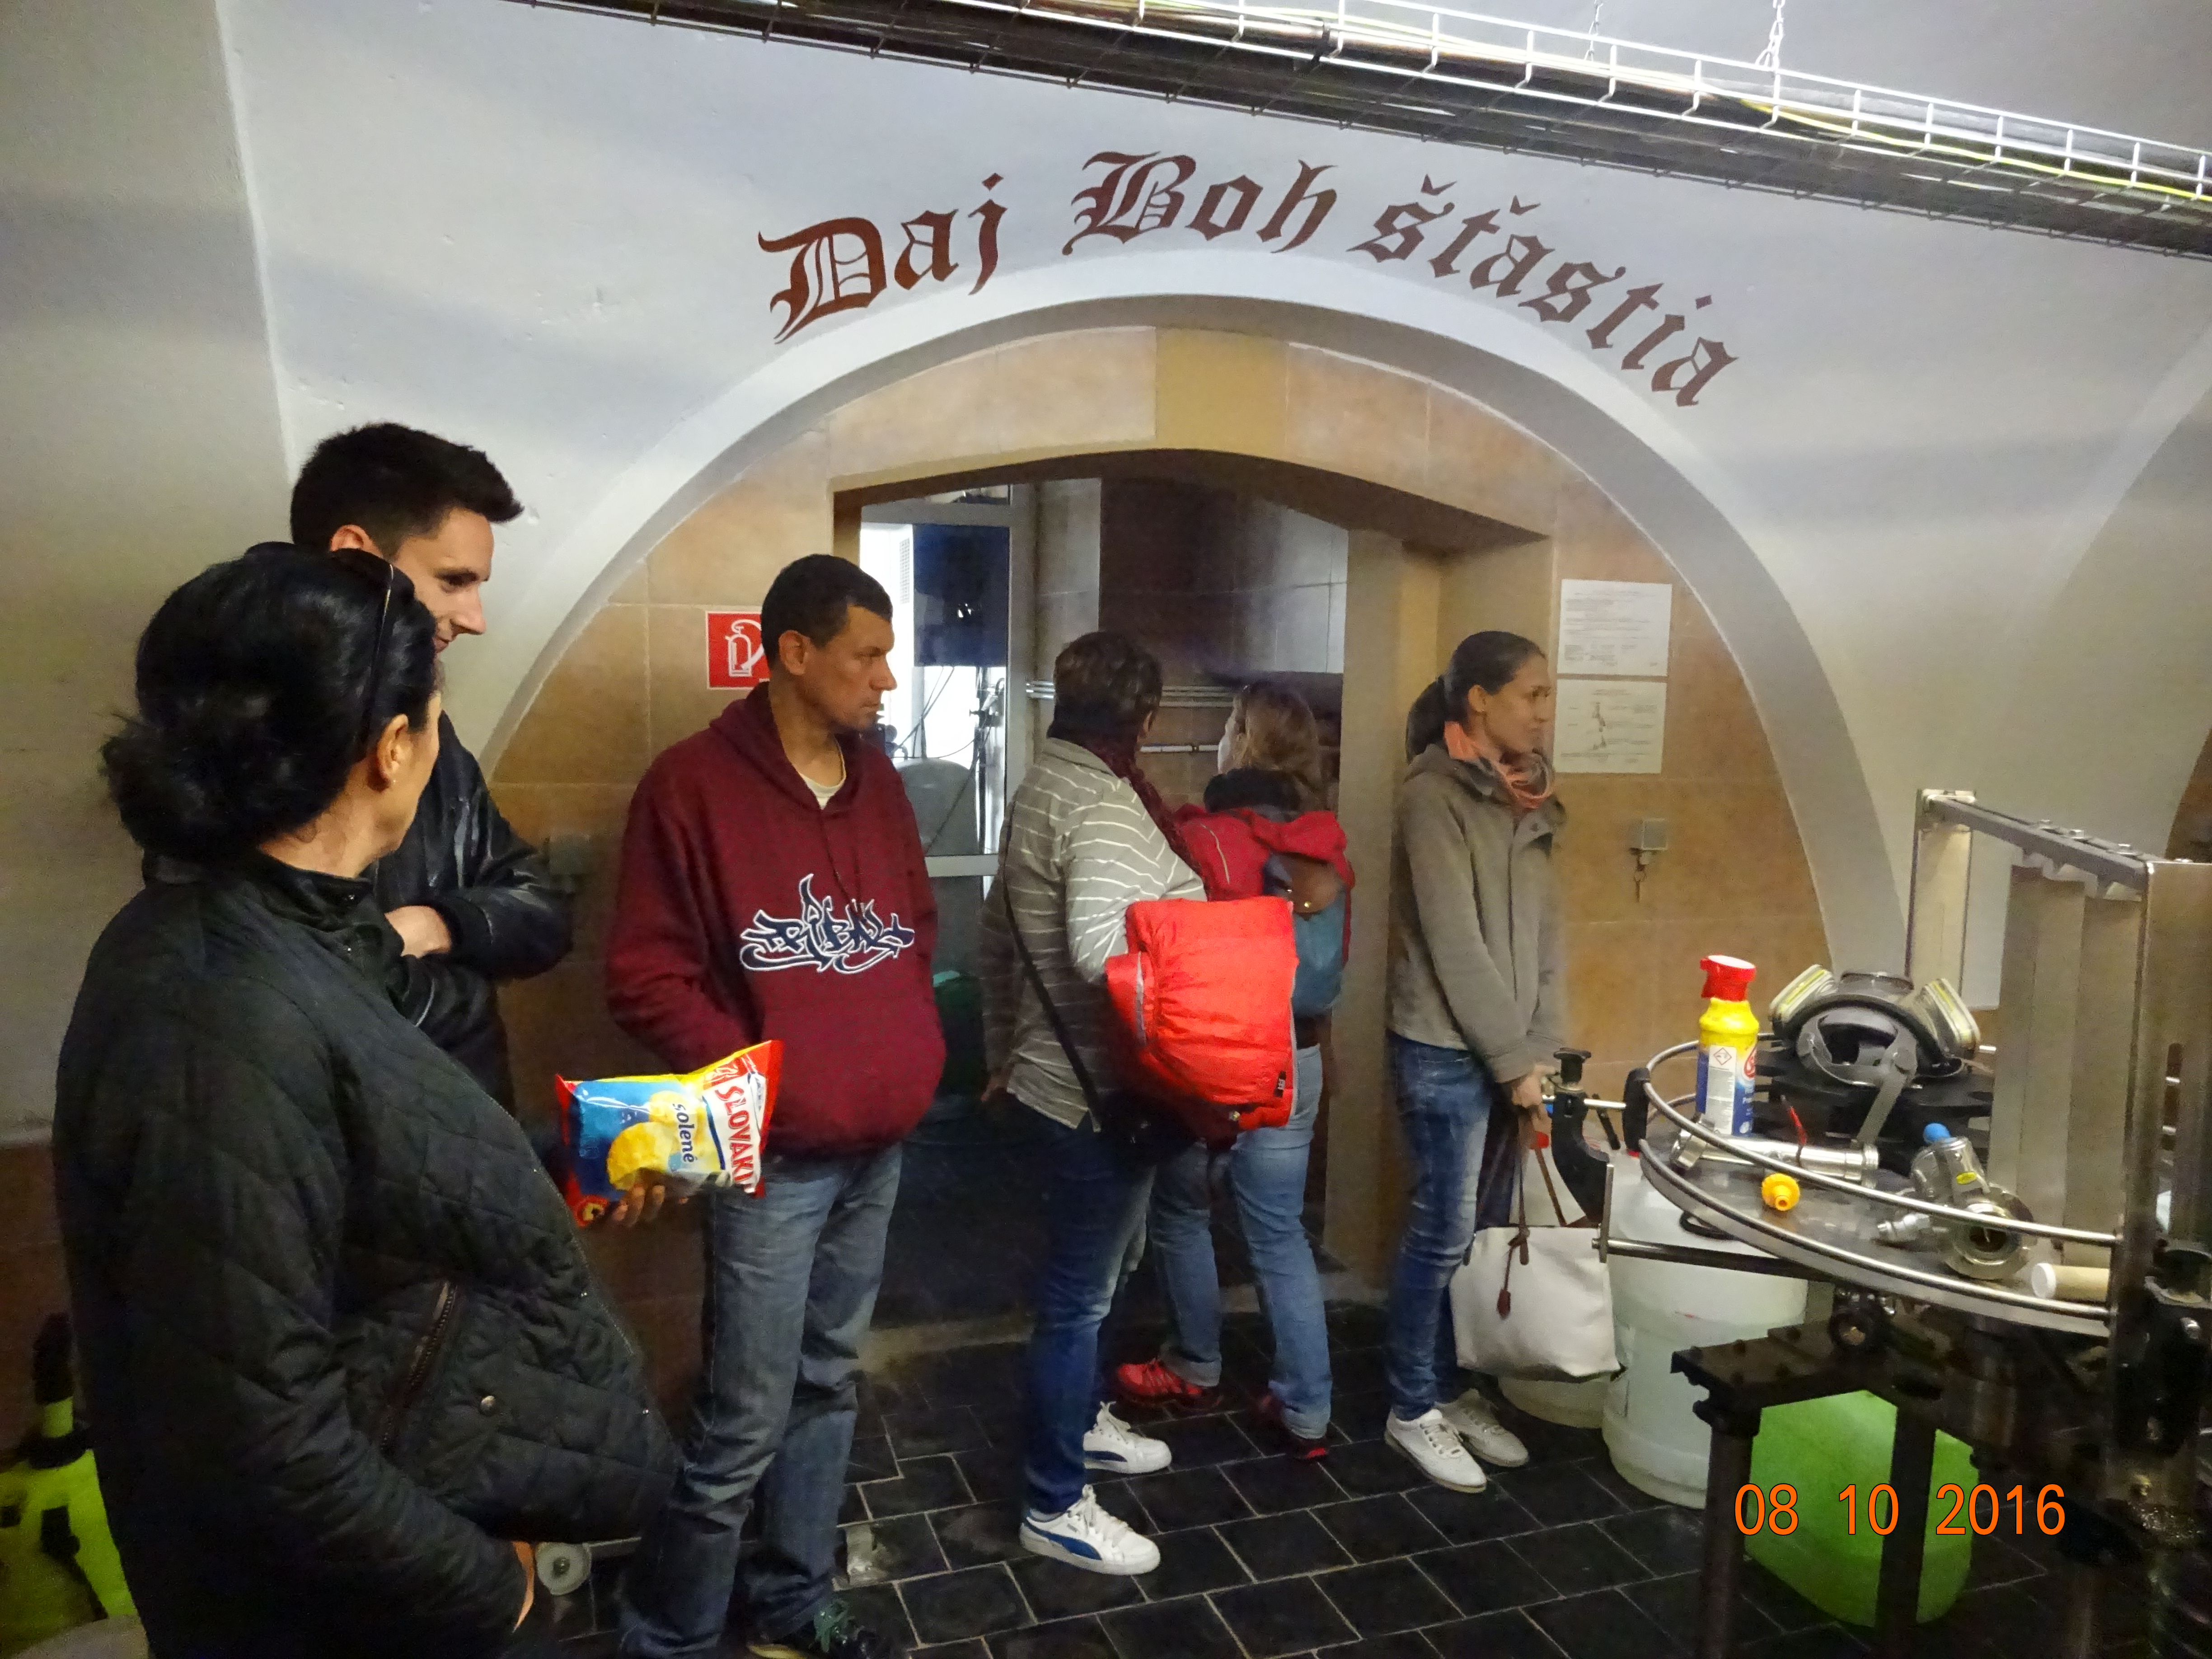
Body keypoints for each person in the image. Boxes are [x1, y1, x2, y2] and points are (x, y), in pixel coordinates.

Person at [54, 548, 673, 1658]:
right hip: (334, 1617)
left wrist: (570, 1157)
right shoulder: (216, 1007)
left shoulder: (296, 935)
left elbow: (363, 1173)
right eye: (433, 720)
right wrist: (494, 1596)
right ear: (392, 750)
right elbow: (262, 1440)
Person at [605, 554, 943, 1659]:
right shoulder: (691, 786)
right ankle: (669, 1637)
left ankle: (792, 1604)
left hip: (879, 1148)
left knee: (828, 1385)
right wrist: (766, 1079)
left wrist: (904, 1047)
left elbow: (914, 929)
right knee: (743, 1417)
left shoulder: (880, 784)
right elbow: (644, 976)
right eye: (866, 656)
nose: (886, 679)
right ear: (794, 654)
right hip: (774, 1161)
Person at [979, 631, 1203, 1578]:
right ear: (1145, 721)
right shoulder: (1106, 805)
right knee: (1077, 1301)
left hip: (1052, 1079)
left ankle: (1081, 1425)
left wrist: (1000, 1051)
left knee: (1096, 1282)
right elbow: (1096, 949)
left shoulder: (1042, 785)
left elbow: (997, 935)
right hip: (1095, 1095)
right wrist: (1196, 1021)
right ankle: (1055, 1501)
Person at [290, 422, 570, 1106]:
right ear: (357, 556)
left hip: (458, 1133)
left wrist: (436, 924)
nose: (475, 617)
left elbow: (540, 909)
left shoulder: (432, 736)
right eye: (453, 581)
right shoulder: (248, 739)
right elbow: (310, 991)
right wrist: (454, 987)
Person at [1114, 682, 1346, 1460]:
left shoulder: (1204, 838)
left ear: (1242, 740)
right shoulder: (1325, 840)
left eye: (1227, 727)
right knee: (1280, 1233)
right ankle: (1307, 1407)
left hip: (1215, 1058)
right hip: (1297, 1055)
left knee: (1181, 1209)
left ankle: (1194, 1363)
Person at [1383, 631, 1566, 1491]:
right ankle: (1410, 1405)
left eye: (1547, 695)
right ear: (1480, 700)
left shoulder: (1530, 797)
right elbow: (1455, 945)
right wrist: (1511, 1059)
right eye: (1532, 694)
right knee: (1443, 1230)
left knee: (1480, 1234)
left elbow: (1548, 938)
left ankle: (1452, 1388)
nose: (1544, 711)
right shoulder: (1433, 796)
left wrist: (1544, 1051)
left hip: (1509, 1053)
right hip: (1445, 1050)